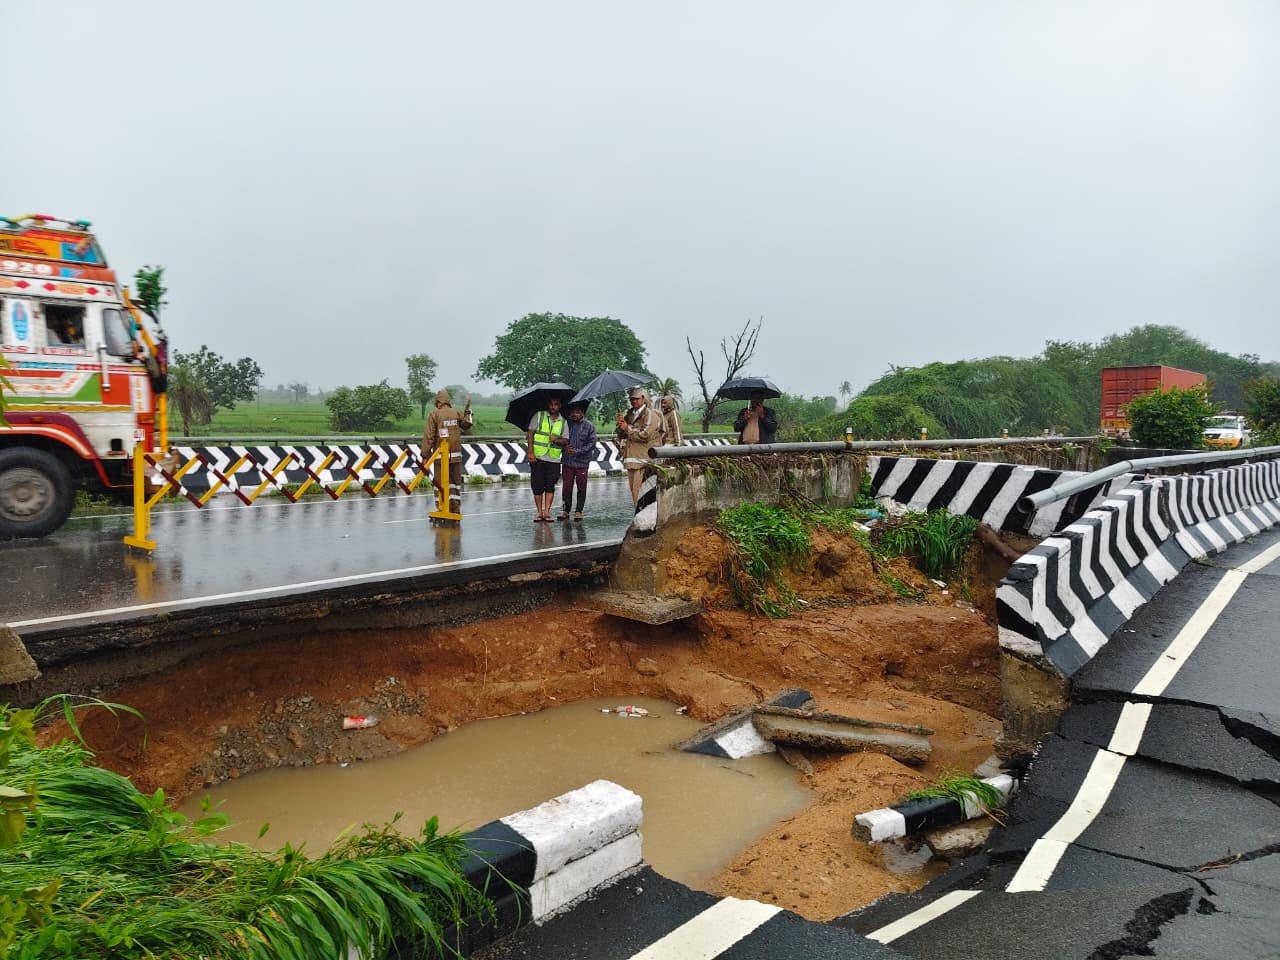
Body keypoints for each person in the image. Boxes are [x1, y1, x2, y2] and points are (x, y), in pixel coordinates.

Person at [423, 389, 473, 514]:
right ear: (448, 400)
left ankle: (442, 506)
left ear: (438, 401)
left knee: (440, 482)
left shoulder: (434, 414)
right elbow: (467, 424)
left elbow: (429, 436)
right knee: (455, 482)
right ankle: (455, 508)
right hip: (456, 456)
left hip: (440, 456)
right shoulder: (456, 412)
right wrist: (467, 410)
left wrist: (425, 455)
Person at [616, 386, 665, 502]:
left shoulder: (651, 415)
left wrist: (627, 428)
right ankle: (639, 517)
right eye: (631, 399)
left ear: (643, 398)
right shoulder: (630, 414)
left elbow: (645, 435)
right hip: (631, 460)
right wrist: (620, 425)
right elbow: (622, 435)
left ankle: (645, 518)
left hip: (644, 460)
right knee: (634, 492)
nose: (633, 401)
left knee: (641, 491)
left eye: (636, 399)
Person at [527, 396, 567, 521]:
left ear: (559, 406)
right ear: (548, 405)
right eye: (551, 404)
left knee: (550, 486)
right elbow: (530, 434)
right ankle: (539, 512)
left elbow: (566, 440)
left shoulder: (563, 421)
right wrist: (530, 452)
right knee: (537, 486)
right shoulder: (539, 416)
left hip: (554, 458)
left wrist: (557, 440)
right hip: (538, 457)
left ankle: (547, 512)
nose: (553, 407)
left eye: (556, 404)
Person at [558, 401, 598, 521]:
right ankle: (566, 510)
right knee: (567, 487)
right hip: (567, 462)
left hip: (582, 463)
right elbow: (560, 439)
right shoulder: (566, 424)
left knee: (581, 487)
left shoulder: (590, 426)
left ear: (583, 413)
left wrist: (577, 451)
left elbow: (592, 444)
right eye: (573, 412)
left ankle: (579, 511)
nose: (574, 414)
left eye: (577, 412)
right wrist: (564, 447)